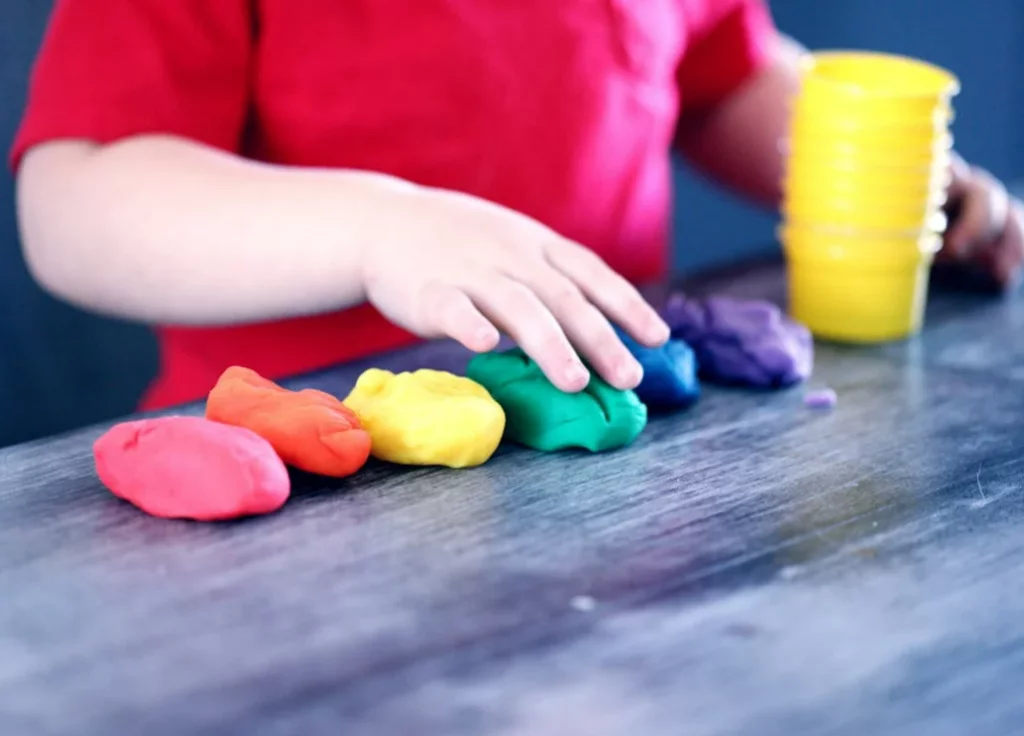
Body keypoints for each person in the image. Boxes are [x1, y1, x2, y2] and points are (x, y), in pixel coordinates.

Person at [12, 0, 1023, 411]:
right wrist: (379, 230)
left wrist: (892, 186)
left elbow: (719, 77)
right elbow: (77, 199)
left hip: (612, 446)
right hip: (298, 474)